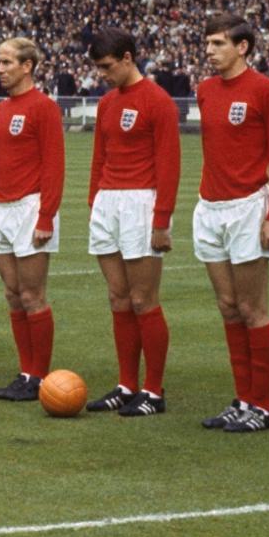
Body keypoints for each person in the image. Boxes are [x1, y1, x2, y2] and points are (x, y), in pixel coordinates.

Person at [194, 14, 269, 432]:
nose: (210, 51)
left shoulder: (265, 90)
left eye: (218, 43)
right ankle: (242, 399)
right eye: (208, 43)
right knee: (228, 307)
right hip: (210, 207)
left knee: (253, 308)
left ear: (242, 47)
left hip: (249, 207)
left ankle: (262, 406)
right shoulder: (204, 90)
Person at [85, 28, 181, 417]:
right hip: (108, 201)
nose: (102, 75)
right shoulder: (107, 103)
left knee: (143, 299)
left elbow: (169, 163)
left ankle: (153, 391)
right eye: (98, 68)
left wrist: (161, 221)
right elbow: (99, 156)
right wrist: (94, 203)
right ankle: (126, 385)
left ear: (128, 58)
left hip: (141, 201)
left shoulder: (157, 101)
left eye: (107, 67)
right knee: (118, 298)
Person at [0, 39, 65, 403]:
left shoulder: (44, 107)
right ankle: (25, 371)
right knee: (13, 295)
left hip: (30, 207)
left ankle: (40, 376)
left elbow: (54, 164)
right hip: (0, 207)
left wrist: (46, 216)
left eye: (6, 62)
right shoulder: (1, 110)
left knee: (32, 295)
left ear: (27, 65)